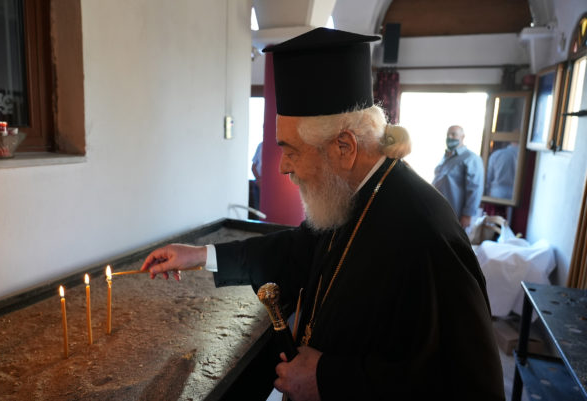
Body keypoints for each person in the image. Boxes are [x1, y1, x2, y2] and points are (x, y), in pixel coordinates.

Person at [140, 28, 504, 401]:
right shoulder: (355, 193)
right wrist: (201, 255)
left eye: (291, 150)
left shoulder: (422, 232)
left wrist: (328, 379)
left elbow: (465, 383)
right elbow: (298, 249)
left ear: (344, 147)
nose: (282, 166)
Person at [432, 125, 485, 229]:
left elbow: (475, 188)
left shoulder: (471, 158)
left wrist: (467, 215)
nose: (450, 137)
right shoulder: (446, 157)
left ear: (462, 137)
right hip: (439, 212)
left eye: (454, 134)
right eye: (448, 134)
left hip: (456, 216)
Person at [251, 141, 263, 210]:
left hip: (271, 185)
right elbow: (253, 167)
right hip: (258, 183)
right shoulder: (260, 146)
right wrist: (259, 180)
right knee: (258, 210)